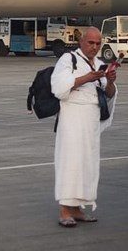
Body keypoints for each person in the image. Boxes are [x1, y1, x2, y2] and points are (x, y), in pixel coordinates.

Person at [50, 27, 117, 227]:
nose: (94, 47)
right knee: (70, 161)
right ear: (81, 42)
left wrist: (110, 81)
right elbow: (59, 87)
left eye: (98, 44)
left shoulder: (99, 64)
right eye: (91, 43)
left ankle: (79, 208)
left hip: (91, 120)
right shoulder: (68, 59)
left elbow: (110, 93)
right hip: (72, 118)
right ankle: (65, 209)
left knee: (88, 162)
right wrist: (89, 77)